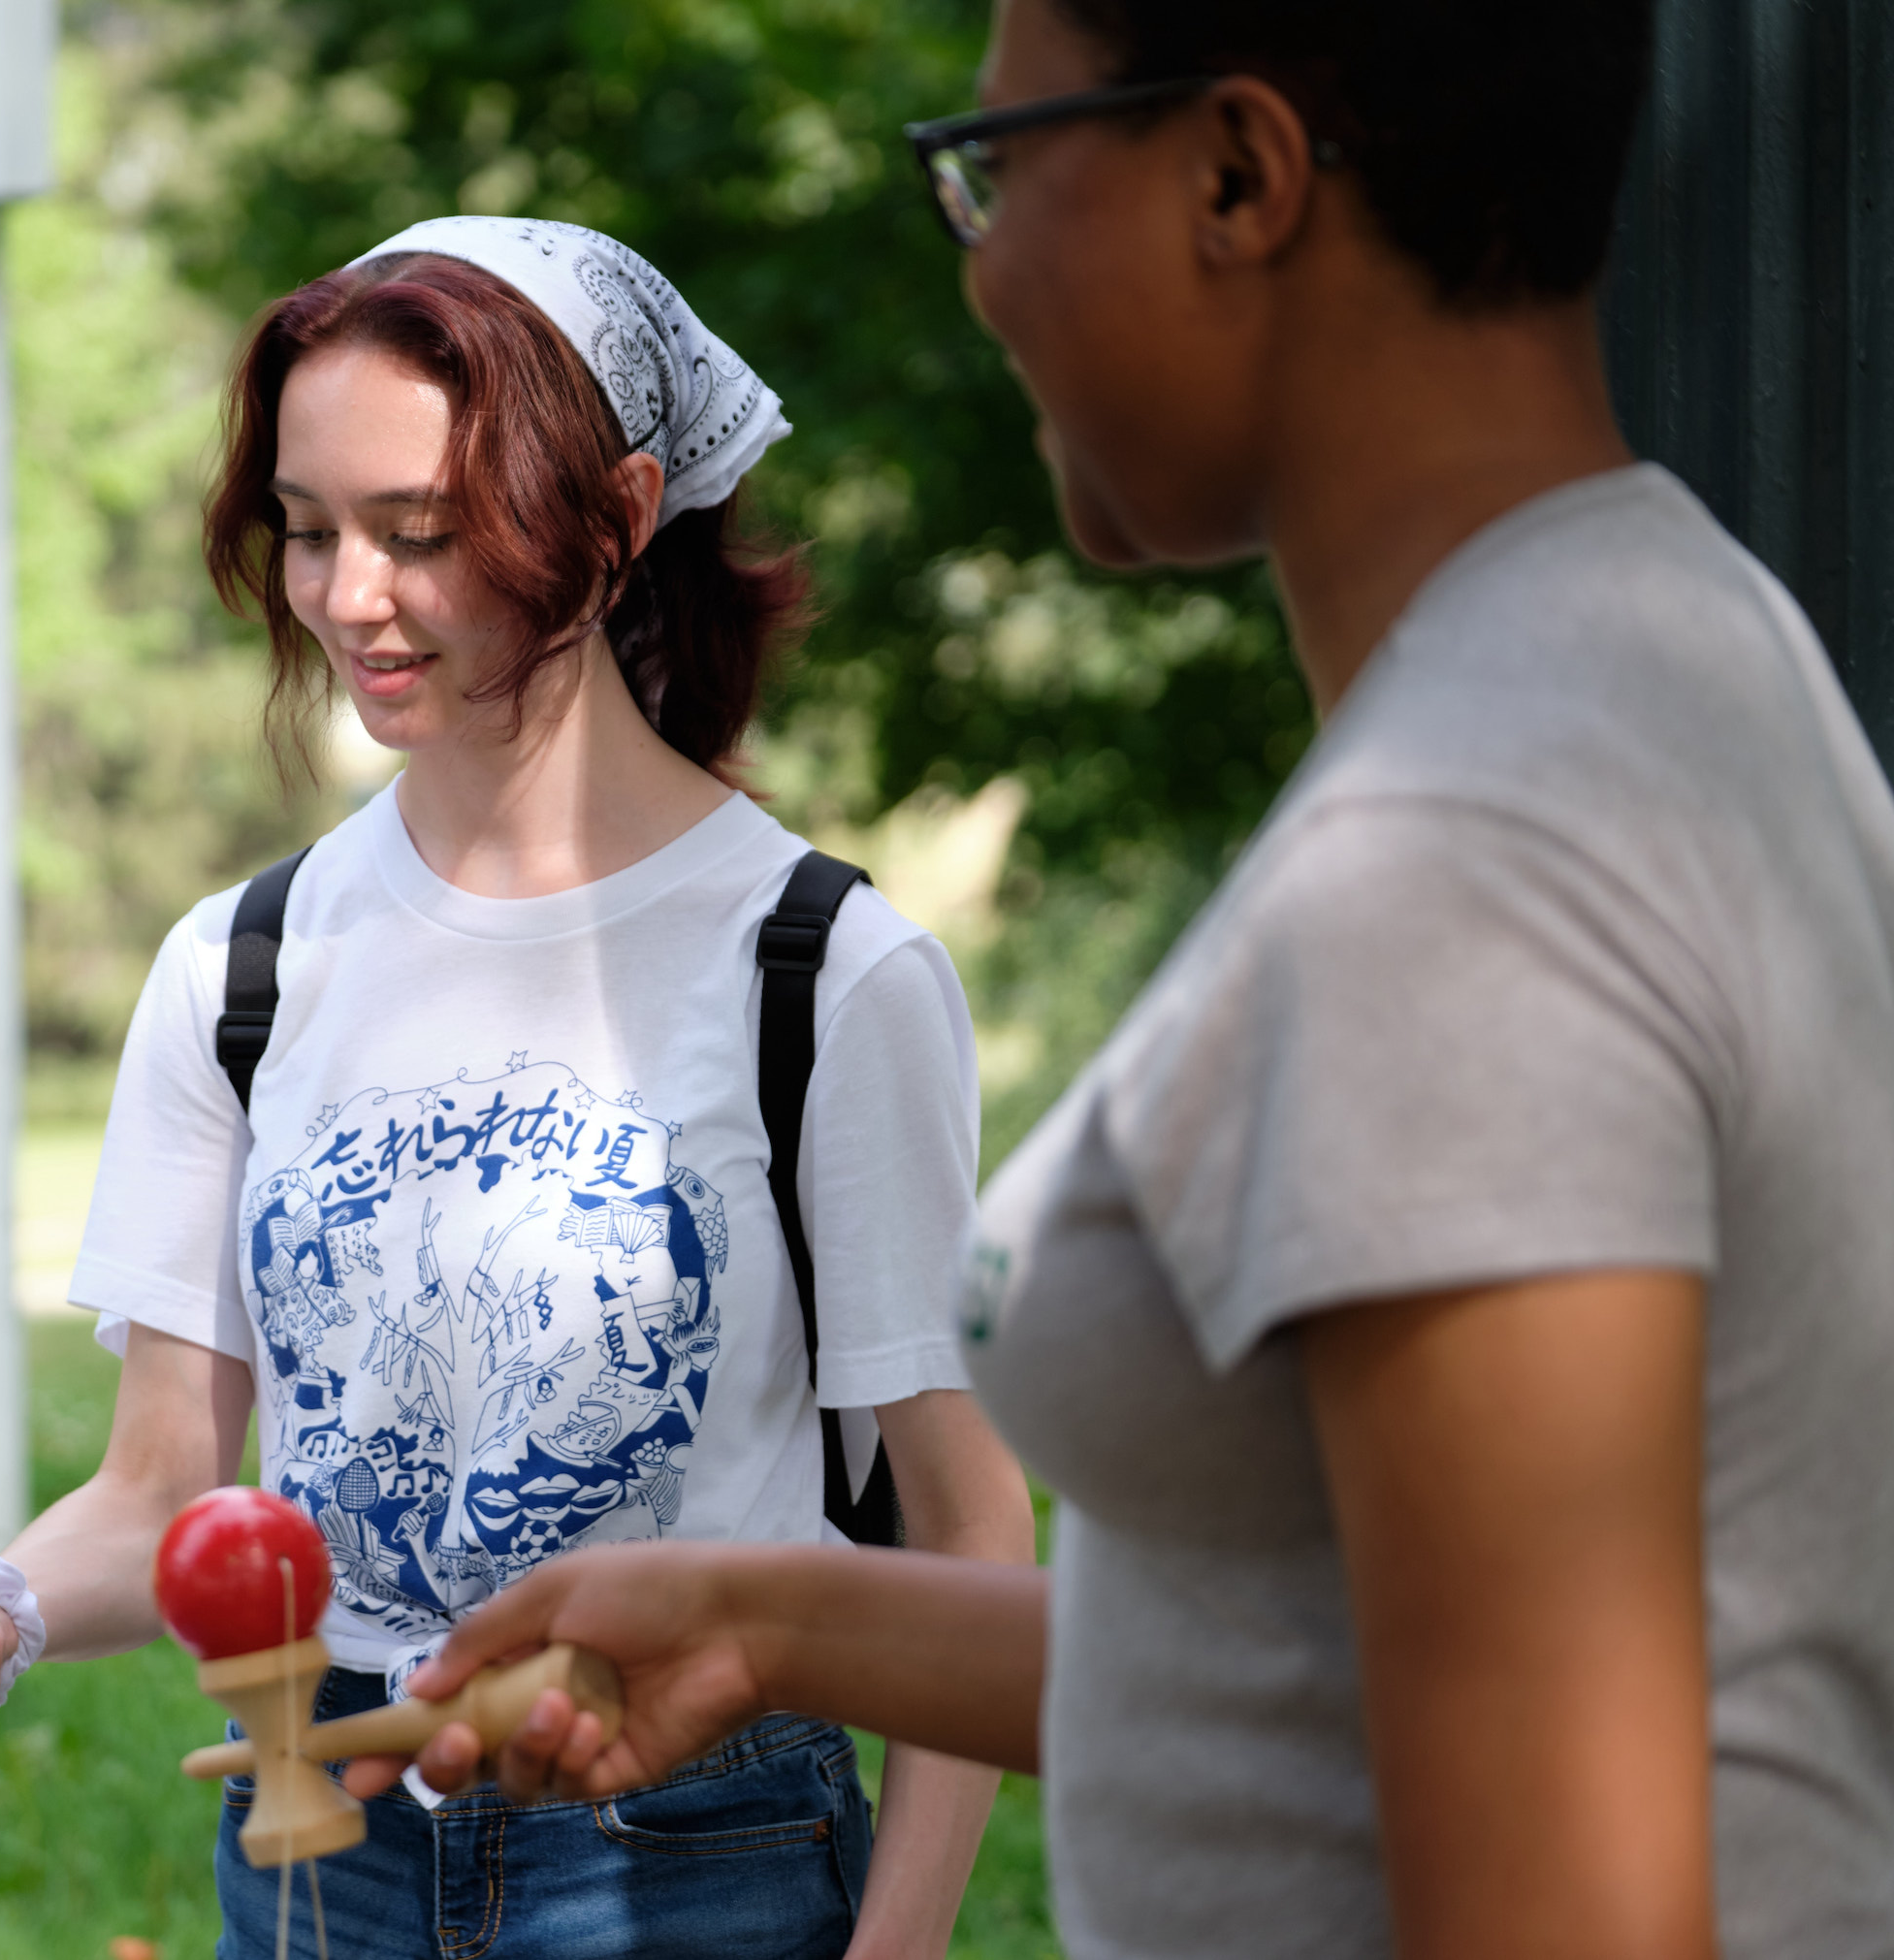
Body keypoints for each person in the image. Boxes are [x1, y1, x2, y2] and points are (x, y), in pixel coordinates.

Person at [373, 4, 1894, 1959]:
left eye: (998, 170)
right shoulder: (1678, 638)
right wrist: (765, 1619)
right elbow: (1321, 1643)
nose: (984, 268)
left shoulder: (1459, 877)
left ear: (1238, 176)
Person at [0, 217, 1036, 1960]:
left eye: (420, 533)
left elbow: (964, 1521)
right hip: (320, 1848)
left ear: (614, 520)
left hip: (700, 1853)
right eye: (309, 530)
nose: (346, 596)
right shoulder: (241, 968)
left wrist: (893, 1949)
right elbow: (164, 1491)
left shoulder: (824, 971)